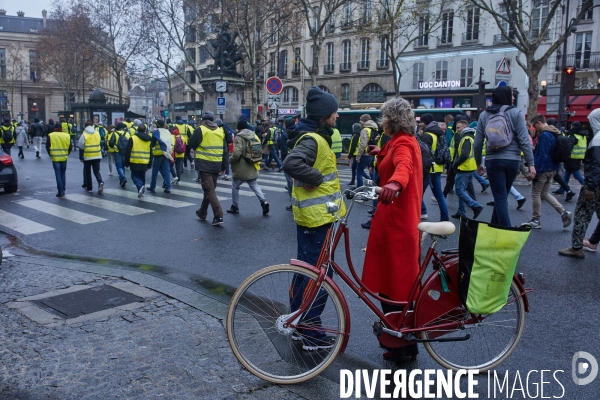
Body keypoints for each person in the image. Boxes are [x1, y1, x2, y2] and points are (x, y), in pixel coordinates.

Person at [282, 86, 346, 351]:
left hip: (314, 216)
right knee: (320, 274)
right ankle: (310, 330)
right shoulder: (313, 139)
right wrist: (315, 178)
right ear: (323, 114)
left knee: (306, 270)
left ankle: (299, 322)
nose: (337, 116)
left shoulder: (316, 136)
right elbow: (291, 164)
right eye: (334, 111)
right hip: (317, 218)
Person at [361, 97, 423, 363]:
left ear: (390, 120)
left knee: (395, 288)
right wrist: (380, 154)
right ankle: (403, 343)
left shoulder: (404, 144)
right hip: (395, 219)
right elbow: (396, 158)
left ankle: (401, 345)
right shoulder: (397, 142)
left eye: (384, 117)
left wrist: (395, 184)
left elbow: (404, 167)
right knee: (394, 286)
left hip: (397, 223)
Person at [474, 86, 535, 227]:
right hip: (513, 160)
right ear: (506, 96)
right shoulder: (515, 112)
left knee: (500, 197)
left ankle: (499, 229)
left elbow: (477, 143)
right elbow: (524, 140)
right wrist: (531, 163)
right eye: (512, 95)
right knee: (502, 197)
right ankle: (502, 229)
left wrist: (478, 163)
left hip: (493, 161)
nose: (513, 98)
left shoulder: (484, 115)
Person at [558, 108, 600, 258]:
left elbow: (596, 164)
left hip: (596, 185)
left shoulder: (597, 139)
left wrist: (591, 186)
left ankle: (576, 247)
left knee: (582, 214)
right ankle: (593, 242)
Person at [521, 115, 572, 229]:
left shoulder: (544, 135)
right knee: (544, 193)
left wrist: (535, 171)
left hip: (543, 169)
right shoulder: (555, 132)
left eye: (535, 126)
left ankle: (536, 219)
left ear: (539, 123)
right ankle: (563, 212)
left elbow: (542, 155)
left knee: (535, 194)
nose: (535, 129)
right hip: (553, 168)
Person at [188, 111, 229, 226]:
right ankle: (202, 212)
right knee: (209, 189)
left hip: (204, 165)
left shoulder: (201, 129)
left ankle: (218, 215)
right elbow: (225, 150)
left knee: (209, 190)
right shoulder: (220, 131)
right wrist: (224, 166)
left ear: (203, 120)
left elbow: (191, 143)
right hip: (216, 165)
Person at [227, 119, 269, 215]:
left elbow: (237, 153)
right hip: (252, 163)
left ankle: (235, 206)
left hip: (242, 166)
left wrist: (230, 160)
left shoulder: (239, 137)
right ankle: (264, 201)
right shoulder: (253, 135)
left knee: (235, 186)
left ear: (238, 128)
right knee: (254, 184)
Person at [419, 113, 449, 221]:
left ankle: (421, 213)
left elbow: (425, 154)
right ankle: (445, 218)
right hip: (438, 167)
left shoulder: (428, 135)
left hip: (429, 168)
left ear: (425, 122)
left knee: (418, 193)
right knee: (439, 195)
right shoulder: (439, 132)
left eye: (421, 121)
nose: (420, 124)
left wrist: (423, 170)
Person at [451, 124, 484, 219]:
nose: (458, 131)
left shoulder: (466, 139)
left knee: (459, 190)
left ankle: (475, 206)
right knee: (462, 190)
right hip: (470, 168)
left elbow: (464, 155)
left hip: (464, 168)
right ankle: (461, 212)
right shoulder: (472, 138)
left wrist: (455, 164)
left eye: (459, 129)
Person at [555, 121, 587, 201]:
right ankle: (562, 189)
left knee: (576, 174)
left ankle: (587, 187)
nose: (571, 128)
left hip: (572, 157)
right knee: (567, 173)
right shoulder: (582, 136)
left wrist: (565, 156)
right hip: (579, 156)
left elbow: (568, 146)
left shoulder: (574, 136)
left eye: (572, 126)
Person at [124, 124, 153, 198]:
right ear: (145, 130)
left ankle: (140, 187)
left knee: (134, 176)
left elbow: (128, 151)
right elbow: (151, 152)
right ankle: (141, 191)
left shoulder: (133, 138)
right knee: (142, 176)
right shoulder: (149, 139)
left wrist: (126, 163)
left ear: (137, 130)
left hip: (134, 161)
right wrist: (150, 163)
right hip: (144, 161)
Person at [78, 120, 104, 194]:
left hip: (88, 156)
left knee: (88, 172)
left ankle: (90, 187)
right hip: (97, 155)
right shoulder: (96, 133)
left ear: (85, 126)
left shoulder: (84, 134)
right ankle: (100, 182)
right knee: (96, 171)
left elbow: (81, 145)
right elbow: (99, 141)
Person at [147, 120, 173, 194]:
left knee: (155, 171)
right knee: (167, 171)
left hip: (158, 154)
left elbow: (153, 144)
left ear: (157, 125)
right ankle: (168, 187)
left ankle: (152, 186)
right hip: (166, 154)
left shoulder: (156, 132)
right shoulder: (167, 132)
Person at [46, 125, 72, 197]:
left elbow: (47, 146)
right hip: (64, 157)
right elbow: (70, 147)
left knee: (58, 174)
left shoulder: (51, 135)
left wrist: (50, 154)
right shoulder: (67, 136)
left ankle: (60, 191)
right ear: (61, 129)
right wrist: (67, 153)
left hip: (55, 157)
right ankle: (63, 189)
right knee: (63, 173)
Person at [356, 114, 378, 188]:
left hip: (365, 154)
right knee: (372, 172)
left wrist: (358, 156)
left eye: (361, 120)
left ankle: (359, 189)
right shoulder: (375, 128)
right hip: (373, 154)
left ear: (365, 121)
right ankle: (374, 187)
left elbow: (363, 144)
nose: (360, 122)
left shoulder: (364, 130)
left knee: (359, 172)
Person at [112, 123, 130, 188]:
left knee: (119, 167)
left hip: (117, 151)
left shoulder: (115, 133)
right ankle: (122, 181)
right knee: (123, 166)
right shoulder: (127, 133)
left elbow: (111, 143)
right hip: (125, 152)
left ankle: (123, 178)